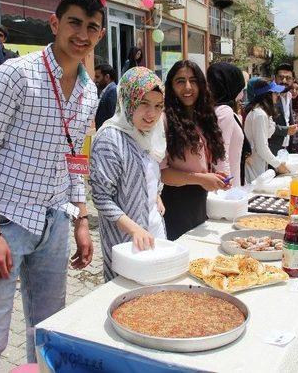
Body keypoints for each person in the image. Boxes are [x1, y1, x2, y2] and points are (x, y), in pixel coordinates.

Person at [0, 0, 106, 371]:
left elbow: (75, 158)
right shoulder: (16, 74)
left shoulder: (89, 92)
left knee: (47, 331)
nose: (82, 34)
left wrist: (81, 220)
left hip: (54, 222)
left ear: (101, 34)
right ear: (54, 23)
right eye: (74, 23)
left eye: (92, 27)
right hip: (5, 221)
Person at [90, 67, 167, 281]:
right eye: (144, 103)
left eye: (158, 106)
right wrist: (134, 229)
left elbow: (149, 175)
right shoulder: (109, 139)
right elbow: (101, 198)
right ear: (128, 99)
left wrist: (155, 196)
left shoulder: (150, 134)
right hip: (126, 242)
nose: (152, 114)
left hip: (154, 231)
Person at [160, 60, 229, 241]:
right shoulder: (164, 120)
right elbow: (162, 173)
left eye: (193, 80)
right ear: (171, 85)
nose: (188, 87)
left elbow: (201, 161)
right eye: (180, 81)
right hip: (176, 202)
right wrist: (200, 179)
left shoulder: (204, 118)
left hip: (201, 199)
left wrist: (215, 177)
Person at [207, 62, 246, 187]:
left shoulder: (214, 109)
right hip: (226, 187)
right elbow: (221, 155)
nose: (243, 92)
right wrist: (229, 188)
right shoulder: (224, 111)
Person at [243, 78, 289, 183]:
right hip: (254, 163)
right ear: (267, 95)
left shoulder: (262, 113)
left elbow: (268, 133)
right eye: (275, 93)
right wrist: (278, 165)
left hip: (259, 161)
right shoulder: (259, 114)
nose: (277, 95)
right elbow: (261, 147)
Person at [268, 63, 298, 157]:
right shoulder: (269, 97)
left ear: (293, 80)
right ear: (275, 78)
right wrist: (285, 130)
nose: (284, 81)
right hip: (270, 149)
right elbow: (264, 124)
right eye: (281, 77)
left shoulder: (289, 96)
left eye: (288, 78)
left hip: (285, 147)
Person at [94, 63, 118, 129]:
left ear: (107, 77)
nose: (95, 80)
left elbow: (112, 117)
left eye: (97, 77)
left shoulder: (113, 91)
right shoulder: (106, 91)